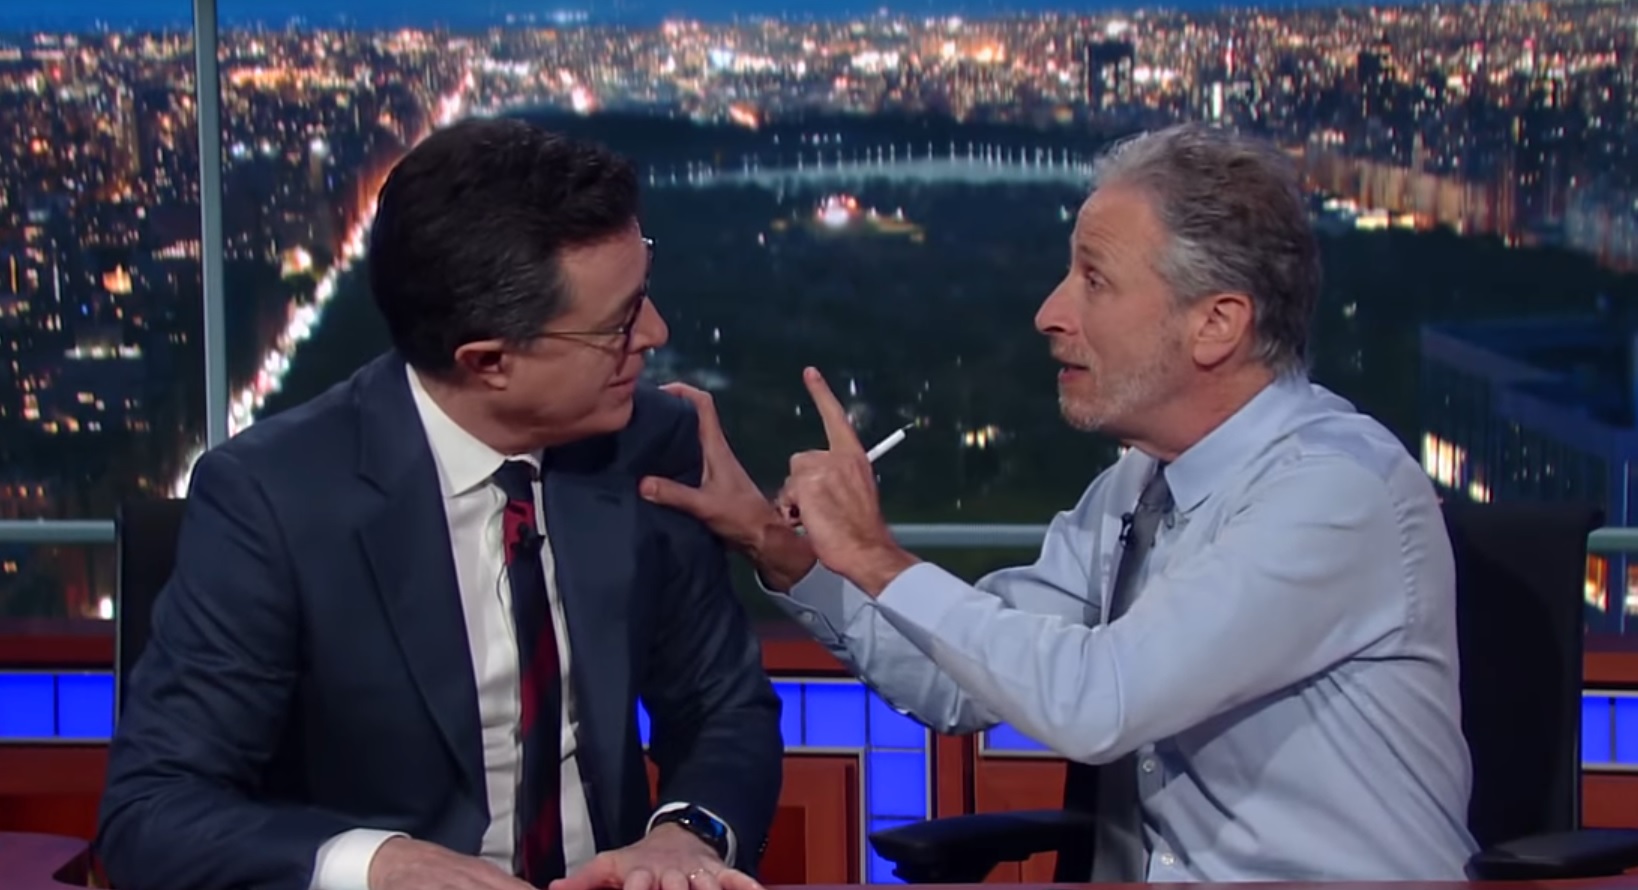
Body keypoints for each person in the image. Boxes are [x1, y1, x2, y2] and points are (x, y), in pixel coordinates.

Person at [639, 123, 1479, 880]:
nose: (1049, 313)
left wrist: (876, 555)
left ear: (1216, 324)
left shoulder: (1335, 492)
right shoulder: (1137, 484)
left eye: (1094, 280)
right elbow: (958, 682)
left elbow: (1100, 701)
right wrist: (790, 553)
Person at [97, 118, 783, 890]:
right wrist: (379, 864)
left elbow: (723, 708)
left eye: (643, 294)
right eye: (618, 325)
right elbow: (153, 810)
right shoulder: (272, 500)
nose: (654, 333)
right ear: (488, 361)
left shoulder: (648, 444)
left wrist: (687, 838)